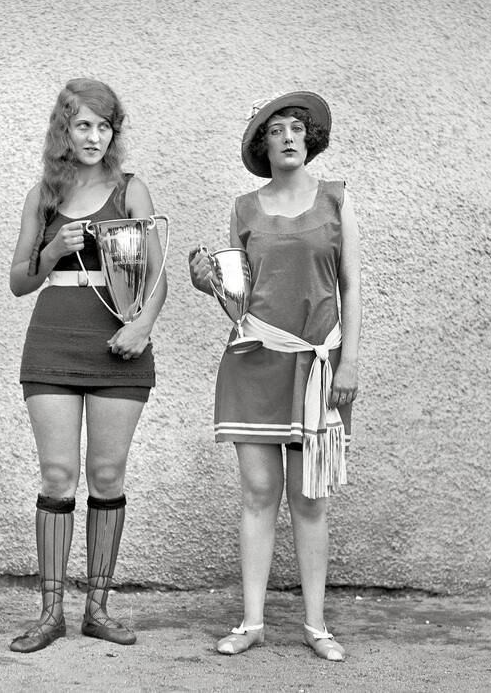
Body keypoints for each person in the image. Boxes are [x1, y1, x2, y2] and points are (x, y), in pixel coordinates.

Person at [189, 91, 361, 661]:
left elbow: (350, 287)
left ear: (309, 139)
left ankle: (317, 626)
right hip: (254, 364)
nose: (287, 137)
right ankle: (253, 621)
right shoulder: (243, 209)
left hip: (318, 365)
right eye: (274, 131)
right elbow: (241, 304)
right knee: (259, 493)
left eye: (295, 128)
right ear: (263, 146)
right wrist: (209, 283)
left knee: (309, 497)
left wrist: (350, 360)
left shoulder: (336, 201)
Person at [9, 78, 167, 653]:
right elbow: (18, 283)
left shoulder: (130, 190)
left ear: (113, 132)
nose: (94, 135)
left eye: (104, 125)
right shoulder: (43, 194)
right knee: (56, 475)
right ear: (64, 130)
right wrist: (51, 251)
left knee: (107, 476)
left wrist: (141, 327)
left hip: (118, 347)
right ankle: (50, 613)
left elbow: (157, 273)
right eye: (83, 124)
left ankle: (96, 609)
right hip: (51, 342)